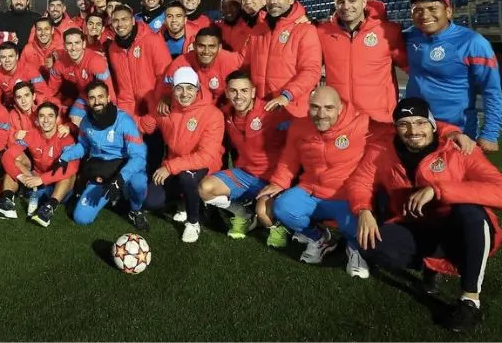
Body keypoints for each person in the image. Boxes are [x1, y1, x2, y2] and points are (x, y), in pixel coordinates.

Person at [346, 97, 502, 333]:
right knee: (371, 244)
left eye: (420, 122)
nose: (413, 130)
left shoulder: (459, 149)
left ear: (433, 125)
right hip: (416, 224)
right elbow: (360, 182)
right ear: (396, 128)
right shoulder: (382, 150)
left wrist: (438, 190)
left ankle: (470, 299)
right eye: (404, 124)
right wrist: (363, 209)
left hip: (458, 226)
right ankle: (431, 267)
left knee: (471, 212)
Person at [256, 86, 365, 272]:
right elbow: (289, 159)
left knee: (358, 229)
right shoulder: (300, 125)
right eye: (315, 107)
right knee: (282, 208)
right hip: (311, 189)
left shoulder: (361, 123)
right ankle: (319, 238)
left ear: (340, 108)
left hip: (345, 194)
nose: (321, 114)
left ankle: (354, 248)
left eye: (328, 108)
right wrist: (278, 182)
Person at [405, 0, 502, 151]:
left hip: (458, 132)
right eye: (418, 10)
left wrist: (490, 134)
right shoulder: (410, 36)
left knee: (454, 177)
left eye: (432, 8)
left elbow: (491, 90)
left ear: (448, 12)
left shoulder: (473, 43)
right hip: (417, 127)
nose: (425, 15)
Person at [199, 70, 289, 244]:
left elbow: (297, 137)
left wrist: (283, 180)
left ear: (253, 92)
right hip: (245, 174)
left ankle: (277, 226)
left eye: (244, 91)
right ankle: (243, 213)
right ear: (226, 92)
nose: (238, 96)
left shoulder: (272, 111)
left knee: (263, 213)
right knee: (204, 188)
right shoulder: (225, 114)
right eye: (233, 91)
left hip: (273, 178)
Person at [143, 67, 224, 243]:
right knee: (151, 201)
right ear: (173, 90)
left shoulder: (212, 114)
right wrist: (156, 107)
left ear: (197, 89)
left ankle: (193, 222)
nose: (185, 93)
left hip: (202, 165)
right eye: (179, 88)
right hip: (174, 164)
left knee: (187, 177)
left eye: (189, 88)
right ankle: (183, 201)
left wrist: (169, 167)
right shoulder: (168, 109)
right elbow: (146, 127)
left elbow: (206, 156)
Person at [58, 80, 149, 230]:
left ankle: (135, 210)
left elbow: (139, 156)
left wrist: (120, 179)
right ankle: (117, 198)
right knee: (81, 218)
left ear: (108, 98)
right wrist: (65, 157)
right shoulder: (86, 121)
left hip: (124, 167)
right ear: (87, 101)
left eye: (100, 96)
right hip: (101, 170)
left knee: (138, 183)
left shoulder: (124, 121)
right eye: (92, 97)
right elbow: (84, 145)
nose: (97, 101)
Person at [319, 0, 406, 134]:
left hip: (379, 121)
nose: (346, 6)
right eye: (340, 2)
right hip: (341, 119)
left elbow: (413, 67)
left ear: (364, 2)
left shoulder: (389, 32)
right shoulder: (322, 33)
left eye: (352, 1)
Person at [242, 0, 322, 118]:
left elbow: (311, 71)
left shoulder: (305, 29)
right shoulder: (257, 30)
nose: (273, 1)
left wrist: (287, 95)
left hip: (291, 109)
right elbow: (244, 65)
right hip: (262, 109)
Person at [0, 101, 79, 226]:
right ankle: (7, 203)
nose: (46, 120)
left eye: (50, 116)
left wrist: (42, 179)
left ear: (57, 118)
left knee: (69, 173)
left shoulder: (65, 138)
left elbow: (72, 167)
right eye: (42, 116)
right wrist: (21, 176)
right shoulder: (32, 134)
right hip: (35, 184)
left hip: (57, 187)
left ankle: (48, 210)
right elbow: (7, 156)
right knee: (15, 162)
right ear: (37, 119)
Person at [105, 5, 170, 129]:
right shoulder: (113, 48)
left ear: (133, 21)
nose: (120, 24)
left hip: (154, 110)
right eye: (116, 21)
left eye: (124, 19)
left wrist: (154, 112)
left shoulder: (152, 40)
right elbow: (120, 85)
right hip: (127, 113)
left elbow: (165, 75)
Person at [158, 26, 243, 110]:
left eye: (211, 46)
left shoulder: (231, 61)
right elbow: (165, 87)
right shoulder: (181, 63)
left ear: (219, 47)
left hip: (223, 111)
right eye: (201, 46)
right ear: (194, 46)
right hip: (192, 112)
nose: (206, 51)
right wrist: (166, 97)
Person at [45, 28, 115, 126]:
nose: (73, 48)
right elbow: (51, 89)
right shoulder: (60, 63)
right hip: (84, 96)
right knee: (74, 120)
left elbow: (109, 92)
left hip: (100, 98)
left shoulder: (96, 62)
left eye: (77, 43)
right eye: (69, 43)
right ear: (64, 46)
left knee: (101, 121)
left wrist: (111, 111)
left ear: (84, 44)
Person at [0, 41, 47, 109]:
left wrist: (38, 110)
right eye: (3, 57)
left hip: (30, 106)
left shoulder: (30, 70)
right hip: (11, 107)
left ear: (17, 56)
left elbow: (42, 93)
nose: (7, 60)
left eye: (11, 56)